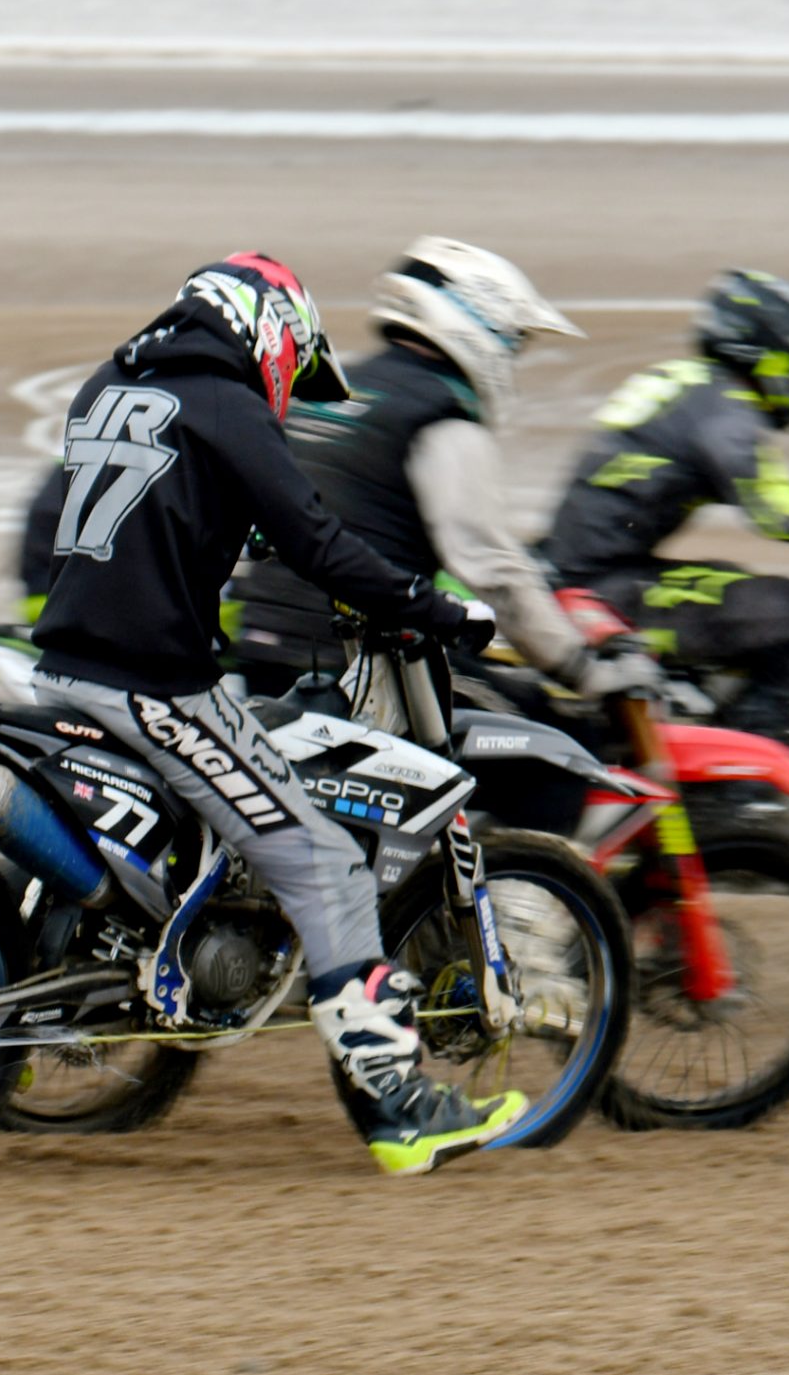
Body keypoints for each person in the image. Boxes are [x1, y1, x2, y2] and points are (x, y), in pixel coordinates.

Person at [28, 252, 521, 1177]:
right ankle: (402, 1110)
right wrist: (432, 608)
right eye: (291, 367)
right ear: (270, 332)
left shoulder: (112, 385)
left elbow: (148, 508)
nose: (288, 386)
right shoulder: (227, 404)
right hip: (157, 685)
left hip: (59, 669)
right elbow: (317, 537)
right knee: (326, 862)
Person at [540, 269, 789, 739]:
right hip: (601, 590)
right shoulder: (727, 411)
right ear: (766, 351)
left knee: (739, 581)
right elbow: (783, 516)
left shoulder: (690, 384)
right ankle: (747, 784)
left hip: (586, 570)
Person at [231, 237, 593, 696]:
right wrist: (578, 667)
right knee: (557, 726)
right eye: (514, 340)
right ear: (479, 319)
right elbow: (491, 568)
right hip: (362, 664)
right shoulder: (439, 418)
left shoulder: (320, 394)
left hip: (263, 651)